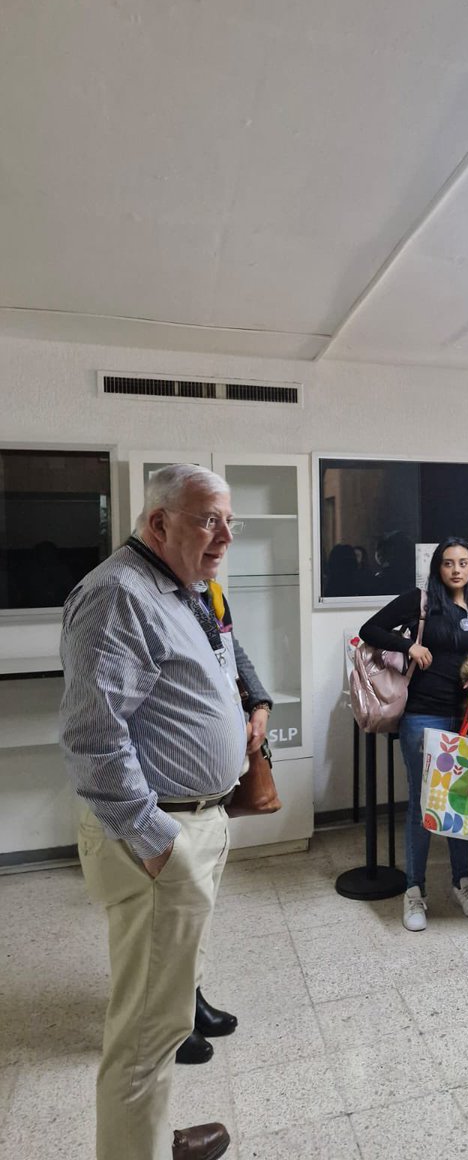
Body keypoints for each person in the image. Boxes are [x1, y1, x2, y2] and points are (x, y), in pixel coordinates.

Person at [60, 464, 248, 1160]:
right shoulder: (117, 595)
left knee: (165, 1014)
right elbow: (93, 737)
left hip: (196, 818)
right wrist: (156, 842)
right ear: (157, 522)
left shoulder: (183, 588)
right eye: (207, 519)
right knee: (145, 1029)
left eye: (229, 520)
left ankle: (145, 1137)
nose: (224, 535)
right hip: (157, 834)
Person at [359, 537, 468, 930]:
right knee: (423, 808)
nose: (457, 570)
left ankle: (462, 882)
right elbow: (370, 629)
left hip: (466, 717)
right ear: (438, 567)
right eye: (449, 563)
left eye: (464, 563)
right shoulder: (420, 601)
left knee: (462, 804)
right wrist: (408, 646)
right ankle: (415, 892)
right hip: (424, 716)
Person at [174, 574, 272, 1066]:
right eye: (211, 524)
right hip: (170, 806)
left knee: (198, 914)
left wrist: (259, 703)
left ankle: (189, 1001)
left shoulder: (208, 592)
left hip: (212, 798)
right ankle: (167, 1024)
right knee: (170, 924)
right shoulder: (147, 597)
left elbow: (233, 655)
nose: (223, 538)